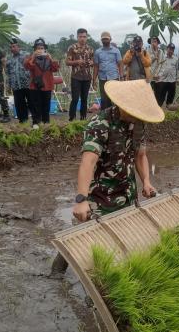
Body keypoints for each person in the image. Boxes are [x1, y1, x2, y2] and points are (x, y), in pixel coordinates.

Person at [50, 79, 162, 278]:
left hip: (127, 190)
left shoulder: (139, 124)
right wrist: (81, 200)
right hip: (100, 194)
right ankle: (57, 270)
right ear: (123, 105)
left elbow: (140, 155)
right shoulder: (100, 123)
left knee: (122, 234)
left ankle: (109, 276)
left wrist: (146, 181)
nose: (138, 116)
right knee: (83, 232)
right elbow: (88, 161)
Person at [24, 38, 60, 128]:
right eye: (38, 48)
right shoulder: (31, 58)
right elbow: (27, 66)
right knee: (35, 105)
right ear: (35, 49)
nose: (40, 50)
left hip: (47, 85)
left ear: (45, 49)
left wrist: (51, 58)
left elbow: (55, 68)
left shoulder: (48, 58)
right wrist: (33, 56)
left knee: (46, 105)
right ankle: (36, 122)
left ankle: (46, 122)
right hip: (35, 85)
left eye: (41, 48)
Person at [66, 28, 94, 121]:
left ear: (87, 37)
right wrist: (77, 61)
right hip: (76, 77)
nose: (82, 38)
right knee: (75, 99)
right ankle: (71, 119)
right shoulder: (72, 48)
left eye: (84, 37)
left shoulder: (90, 49)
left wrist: (91, 63)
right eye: (80, 36)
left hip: (87, 77)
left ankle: (83, 118)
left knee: (84, 99)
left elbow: (93, 61)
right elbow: (67, 62)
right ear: (77, 37)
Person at [93, 31, 123, 110]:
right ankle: (105, 117)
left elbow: (120, 64)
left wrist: (121, 76)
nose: (105, 40)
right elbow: (96, 66)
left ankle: (115, 116)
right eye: (103, 39)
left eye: (106, 39)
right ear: (101, 40)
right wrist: (94, 80)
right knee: (104, 99)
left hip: (114, 77)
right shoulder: (97, 52)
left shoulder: (116, 51)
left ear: (110, 39)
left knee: (114, 97)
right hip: (102, 78)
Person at [6, 38, 32, 123]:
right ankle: (22, 121)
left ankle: (36, 120)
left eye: (14, 46)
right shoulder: (9, 59)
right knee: (19, 104)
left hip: (27, 84)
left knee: (32, 102)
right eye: (11, 47)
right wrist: (8, 85)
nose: (12, 49)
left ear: (19, 47)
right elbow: (8, 73)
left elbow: (32, 68)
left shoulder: (26, 55)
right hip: (16, 85)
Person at [155, 43, 179, 107]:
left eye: (172, 50)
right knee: (161, 97)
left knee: (171, 97)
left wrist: (177, 79)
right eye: (170, 49)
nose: (171, 51)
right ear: (167, 49)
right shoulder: (162, 58)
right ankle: (159, 108)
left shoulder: (176, 59)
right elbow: (158, 67)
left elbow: (177, 70)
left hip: (172, 81)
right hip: (163, 81)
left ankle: (169, 109)